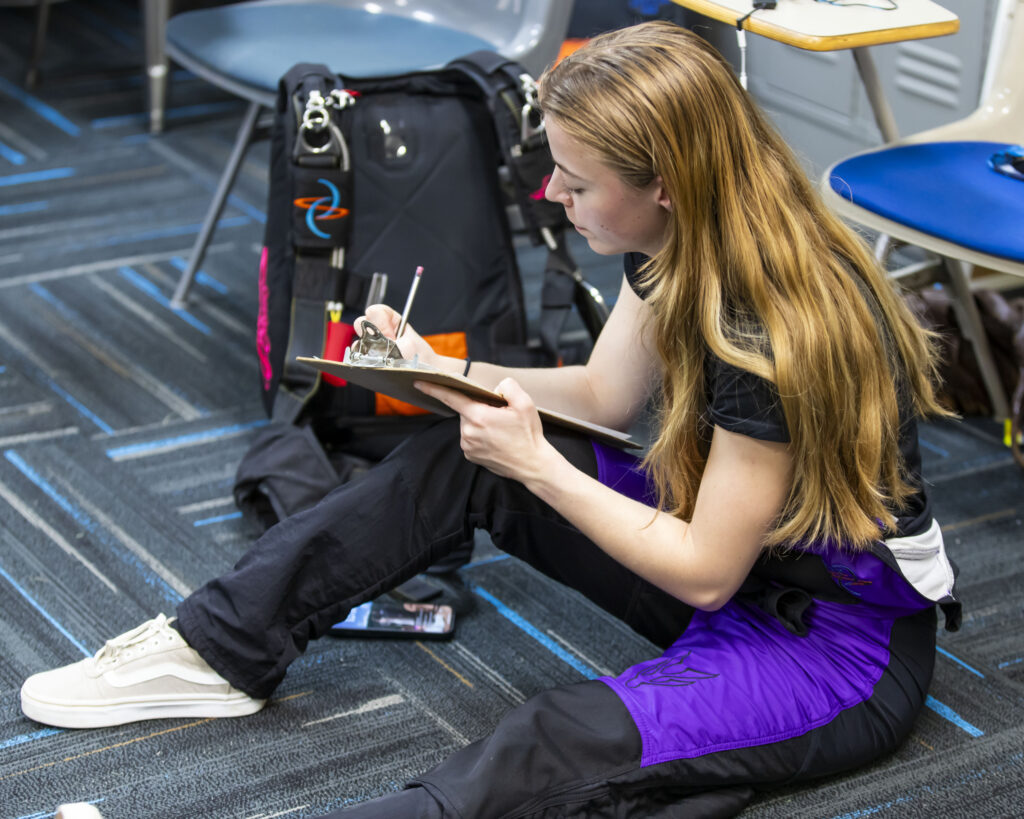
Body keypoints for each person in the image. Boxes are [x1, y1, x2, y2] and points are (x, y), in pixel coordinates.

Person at [24, 21, 961, 818]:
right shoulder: (680, 236)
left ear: (666, 180)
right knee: (464, 450)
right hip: (740, 552)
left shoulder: (772, 324)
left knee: (548, 741)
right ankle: (215, 648)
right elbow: (600, 397)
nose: (551, 198)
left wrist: (539, 467)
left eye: (578, 182)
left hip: (831, 647)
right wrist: (443, 370)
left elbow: (707, 574)